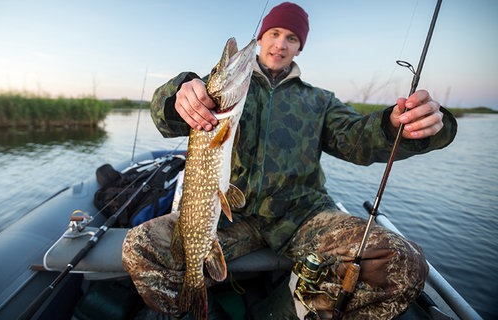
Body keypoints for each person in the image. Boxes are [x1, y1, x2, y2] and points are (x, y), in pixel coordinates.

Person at [122, 2, 457, 319]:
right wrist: (178, 94)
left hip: (301, 215)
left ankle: (279, 310)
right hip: (230, 216)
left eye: (291, 38)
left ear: (299, 47)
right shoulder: (215, 96)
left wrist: (399, 125)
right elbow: (165, 116)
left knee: (402, 263)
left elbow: (358, 141)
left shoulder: (319, 101)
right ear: (262, 38)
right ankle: (188, 309)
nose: (280, 44)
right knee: (141, 247)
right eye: (274, 33)